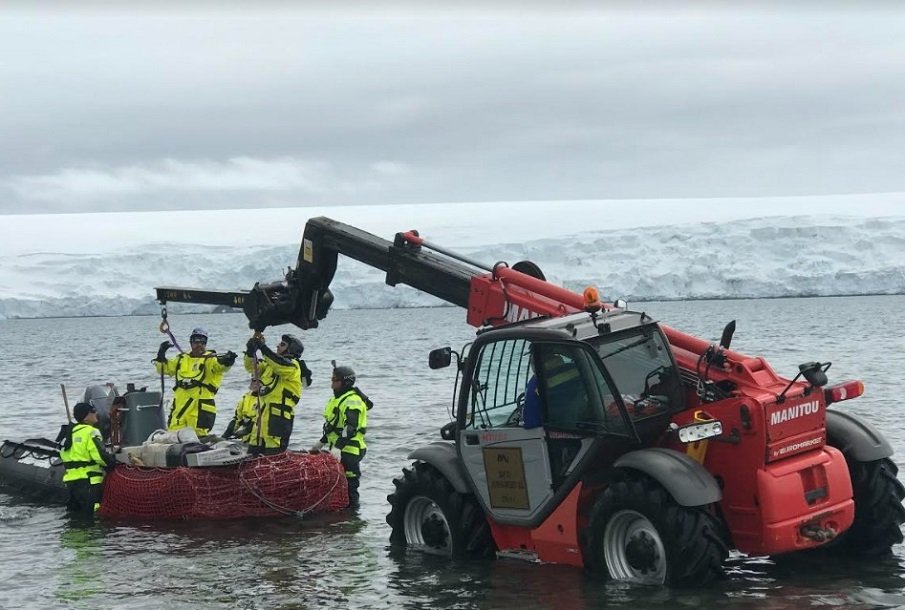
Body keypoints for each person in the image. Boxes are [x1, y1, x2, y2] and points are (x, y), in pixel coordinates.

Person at [154, 327, 237, 436]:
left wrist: (228, 360)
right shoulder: (181, 358)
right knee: (174, 436)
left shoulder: (210, 359)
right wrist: (161, 355)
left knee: (198, 439)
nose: (199, 344)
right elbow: (164, 369)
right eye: (196, 341)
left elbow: (220, 367)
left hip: (199, 410)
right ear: (191, 342)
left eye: (202, 342)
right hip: (179, 408)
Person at [311, 363, 372, 509]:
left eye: (335, 380)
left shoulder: (352, 401)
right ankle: (341, 519)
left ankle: (352, 519)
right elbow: (334, 427)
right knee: (337, 486)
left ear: (345, 382)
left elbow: (350, 427)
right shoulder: (337, 400)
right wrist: (320, 443)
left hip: (350, 450)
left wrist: (338, 447)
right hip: (339, 449)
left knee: (350, 487)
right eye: (332, 380)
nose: (332, 384)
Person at [242, 332, 312, 455]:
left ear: (291, 349)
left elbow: (279, 363)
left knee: (273, 459)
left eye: (282, 344)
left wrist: (262, 347)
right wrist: (250, 350)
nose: (278, 346)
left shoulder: (292, 366)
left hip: (278, 420)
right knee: (252, 457)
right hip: (261, 419)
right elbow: (250, 366)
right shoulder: (269, 365)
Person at [59, 402, 116, 520]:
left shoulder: (70, 432)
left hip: (71, 482)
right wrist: (112, 464)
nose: (96, 413)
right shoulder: (91, 431)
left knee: (75, 516)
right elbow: (99, 456)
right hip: (89, 481)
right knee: (92, 516)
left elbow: (64, 454)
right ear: (86, 416)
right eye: (93, 411)